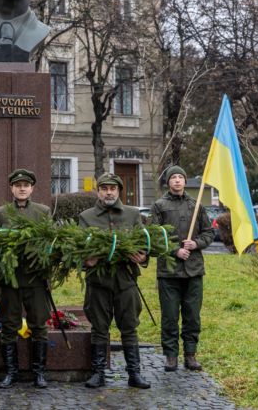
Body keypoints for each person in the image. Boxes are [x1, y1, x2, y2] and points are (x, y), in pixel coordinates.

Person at [79, 173, 151, 389]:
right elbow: (79, 247)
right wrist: (86, 260)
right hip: (98, 282)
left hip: (125, 280)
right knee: (99, 327)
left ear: (119, 190)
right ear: (98, 191)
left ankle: (134, 374)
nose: (108, 192)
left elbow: (144, 243)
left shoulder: (132, 214)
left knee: (129, 326)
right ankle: (98, 373)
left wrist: (143, 256)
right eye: (104, 188)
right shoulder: (86, 216)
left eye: (112, 188)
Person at [150, 165, 215, 373]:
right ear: (168, 182)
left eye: (181, 177)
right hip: (169, 271)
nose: (177, 180)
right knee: (169, 315)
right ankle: (170, 355)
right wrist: (175, 250)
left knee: (192, 315)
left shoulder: (196, 206)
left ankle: (190, 354)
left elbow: (208, 232)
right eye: (173, 177)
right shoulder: (159, 206)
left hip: (193, 270)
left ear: (185, 181)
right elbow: (155, 236)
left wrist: (196, 244)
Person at [0, 168, 51, 388]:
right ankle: (11, 373)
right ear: (12, 189)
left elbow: (50, 242)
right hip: (10, 280)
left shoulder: (43, 212)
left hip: (35, 279)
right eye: (18, 185)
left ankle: (39, 373)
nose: (22, 188)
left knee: (39, 324)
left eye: (26, 185)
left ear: (32, 188)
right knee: (9, 324)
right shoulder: (1, 213)